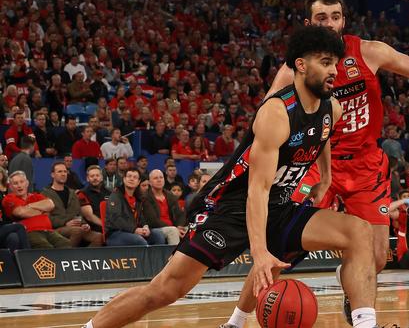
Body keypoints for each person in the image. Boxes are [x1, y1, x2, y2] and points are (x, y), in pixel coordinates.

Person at [85, 26, 379, 328]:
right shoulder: (276, 113)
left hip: (278, 204)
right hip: (231, 205)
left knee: (359, 232)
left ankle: (359, 325)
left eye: (336, 63)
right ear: (301, 65)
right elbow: (257, 190)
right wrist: (260, 251)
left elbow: (323, 133)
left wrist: (326, 177)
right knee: (164, 290)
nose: (335, 71)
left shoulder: (333, 107)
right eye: (326, 62)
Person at [242, 0, 409, 325]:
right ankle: (234, 320)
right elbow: (266, 117)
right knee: (277, 247)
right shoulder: (295, 70)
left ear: (344, 20)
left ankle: (354, 294)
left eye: (335, 16)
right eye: (322, 18)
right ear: (308, 23)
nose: (330, 24)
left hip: (365, 165)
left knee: (376, 257)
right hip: (318, 164)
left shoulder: (368, 52)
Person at [2, 171, 70, 249]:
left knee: (66, 245)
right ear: (10, 187)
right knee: (46, 247)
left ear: (27, 183)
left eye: (21, 182)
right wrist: (42, 210)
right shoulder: (9, 198)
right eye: (15, 183)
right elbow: (21, 212)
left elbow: (51, 204)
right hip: (30, 232)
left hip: (49, 231)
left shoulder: (36, 196)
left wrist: (28, 206)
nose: (19, 186)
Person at [41, 162, 103, 247]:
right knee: (77, 231)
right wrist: (65, 223)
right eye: (59, 172)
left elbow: (78, 214)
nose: (63, 174)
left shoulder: (72, 193)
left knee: (98, 237)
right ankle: (66, 257)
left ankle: (83, 259)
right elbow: (46, 218)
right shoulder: (44, 194)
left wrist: (84, 224)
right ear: (52, 175)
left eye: (65, 171)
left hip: (76, 227)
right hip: (56, 229)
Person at [104, 168, 166, 247]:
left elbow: (141, 217)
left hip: (133, 232)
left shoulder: (139, 197)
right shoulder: (116, 196)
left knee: (158, 235)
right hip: (115, 233)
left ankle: (157, 259)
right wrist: (134, 230)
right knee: (139, 240)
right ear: (124, 179)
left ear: (138, 182)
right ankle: (145, 259)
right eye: (129, 176)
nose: (131, 179)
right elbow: (116, 219)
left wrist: (145, 226)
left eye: (135, 177)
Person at [142, 170, 187, 245]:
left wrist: (179, 226)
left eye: (161, 177)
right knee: (172, 231)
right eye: (155, 178)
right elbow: (153, 220)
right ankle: (174, 256)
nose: (159, 180)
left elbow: (180, 214)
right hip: (156, 228)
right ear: (150, 182)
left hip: (174, 227)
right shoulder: (146, 197)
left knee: (190, 230)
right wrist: (175, 228)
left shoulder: (170, 195)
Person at [77, 165, 111, 234]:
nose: (95, 178)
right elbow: (89, 216)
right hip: (94, 229)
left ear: (101, 177)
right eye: (92, 176)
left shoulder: (110, 192)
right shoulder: (82, 194)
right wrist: (106, 226)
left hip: (111, 226)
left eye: (97, 175)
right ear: (87, 178)